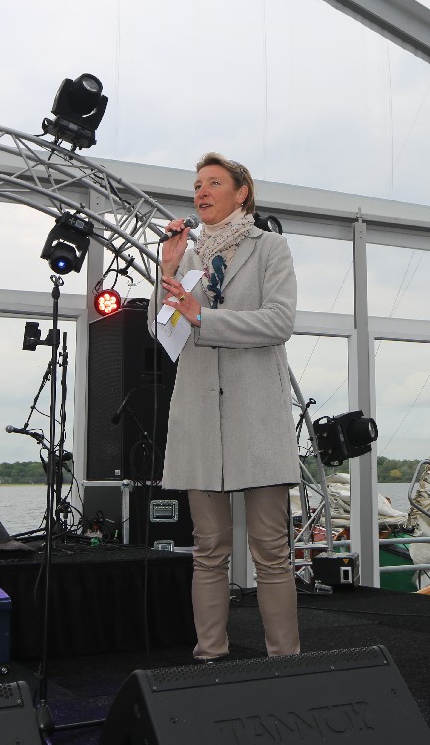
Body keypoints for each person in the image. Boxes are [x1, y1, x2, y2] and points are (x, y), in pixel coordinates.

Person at [151, 152, 301, 662]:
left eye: (214, 183)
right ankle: (209, 657)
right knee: (208, 550)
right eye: (197, 185)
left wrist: (204, 318)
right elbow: (163, 332)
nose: (201, 192)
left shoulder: (270, 247)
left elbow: (279, 321)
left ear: (242, 193)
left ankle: (285, 662)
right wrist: (167, 269)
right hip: (199, 419)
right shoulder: (187, 257)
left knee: (271, 551)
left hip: (257, 419)